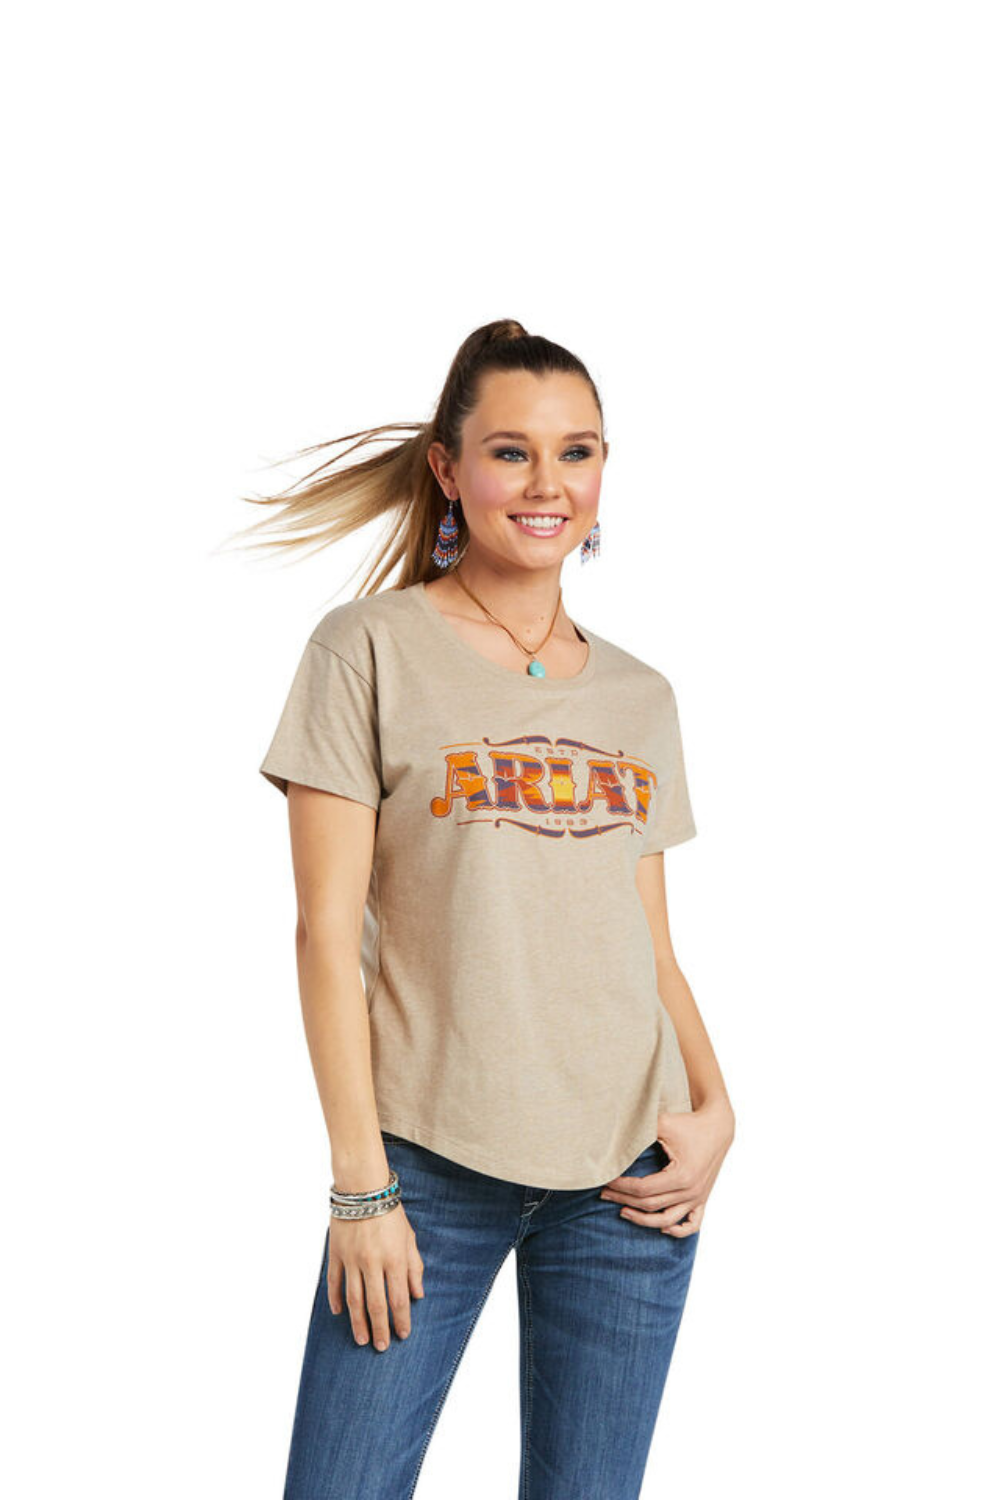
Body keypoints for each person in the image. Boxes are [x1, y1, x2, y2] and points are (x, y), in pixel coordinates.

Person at [244, 319, 735, 1499]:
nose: (546, 483)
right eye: (511, 452)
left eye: (577, 452)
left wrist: (717, 1105)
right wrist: (360, 1185)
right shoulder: (367, 649)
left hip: (628, 1178)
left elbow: (650, 944)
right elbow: (323, 935)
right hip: (425, 1169)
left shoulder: (639, 695)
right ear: (448, 469)